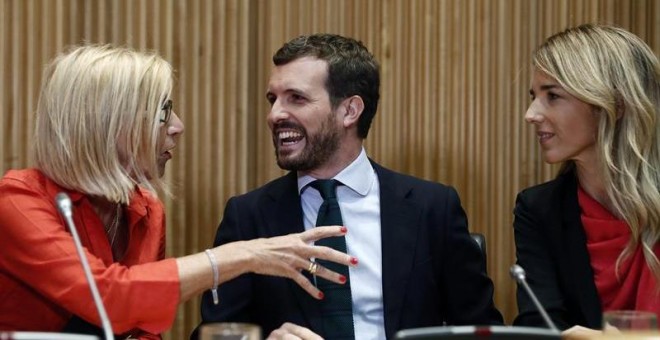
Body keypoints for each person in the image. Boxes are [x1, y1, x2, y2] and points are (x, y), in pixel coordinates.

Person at [0, 45, 356, 339]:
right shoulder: (16, 201)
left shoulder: (146, 210)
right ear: (109, 122)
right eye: (163, 111)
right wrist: (245, 254)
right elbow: (108, 296)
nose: (178, 126)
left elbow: (142, 330)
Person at [194, 33, 503, 340]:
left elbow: (484, 332)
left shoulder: (432, 208)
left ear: (350, 111)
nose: (274, 115)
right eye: (273, 99)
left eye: (296, 98)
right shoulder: (248, 217)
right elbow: (213, 334)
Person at [512, 23, 660, 337]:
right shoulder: (538, 208)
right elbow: (539, 325)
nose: (530, 113)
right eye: (534, 96)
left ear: (615, 105)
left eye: (552, 95)